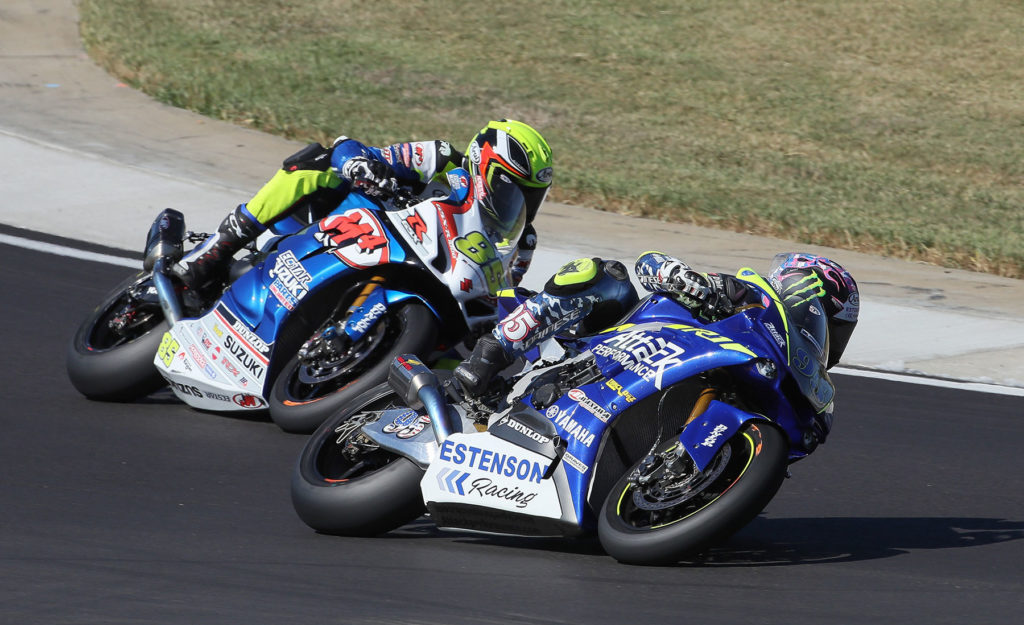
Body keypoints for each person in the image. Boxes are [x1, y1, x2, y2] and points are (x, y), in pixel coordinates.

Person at [173, 119, 553, 295]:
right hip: (349, 230)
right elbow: (352, 148)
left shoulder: (521, 239)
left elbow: (500, 295)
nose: (522, 201)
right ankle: (218, 247)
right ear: (483, 164)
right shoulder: (440, 159)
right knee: (316, 164)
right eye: (513, 186)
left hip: (418, 284)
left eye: (532, 194)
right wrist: (361, 165)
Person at [453, 250, 860, 395]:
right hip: (612, 348)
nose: (829, 342)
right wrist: (688, 282)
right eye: (830, 325)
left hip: (667, 381)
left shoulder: (788, 368)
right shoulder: (743, 296)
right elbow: (648, 264)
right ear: (803, 292)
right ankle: (493, 350)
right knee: (601, 275)